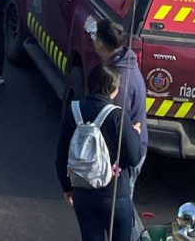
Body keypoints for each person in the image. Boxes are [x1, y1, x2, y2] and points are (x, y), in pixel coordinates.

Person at [55, 63, 141, 241]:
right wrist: (134, 134)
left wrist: (67, 188)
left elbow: (62, 155)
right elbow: (134, 157)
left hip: (83, 194)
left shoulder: (74, 110)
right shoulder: (117, 115)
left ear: (89, 84)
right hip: (115, 195)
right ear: (113, 89)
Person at [93, 20, 148, 240]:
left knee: (120, 213)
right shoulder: (126, 65)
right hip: (129, 148)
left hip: (125, 154)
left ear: (99, 42)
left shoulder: (119, 81)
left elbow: (117, 126)